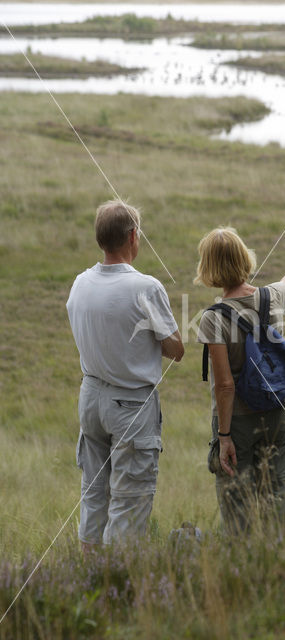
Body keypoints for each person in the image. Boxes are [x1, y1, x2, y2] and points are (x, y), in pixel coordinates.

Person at [196, 227, 285, 538]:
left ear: (209, 269)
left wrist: (225, 436)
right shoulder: (271, 297)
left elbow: (225, 386)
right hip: (276, 418)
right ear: (245, 259)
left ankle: (243, 571)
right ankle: (278, 567)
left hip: (237, 424)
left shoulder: (213, 318)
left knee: (237, 514)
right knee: (276, 506)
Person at [67, 200, 184, 553]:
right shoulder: (145, 287)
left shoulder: (79, 284)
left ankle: (87, 582)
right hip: (130, 405)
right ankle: (117, 589)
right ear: (133, 236)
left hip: (90, 398)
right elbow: (175, 350)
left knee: (93, 495)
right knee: (129, 500)